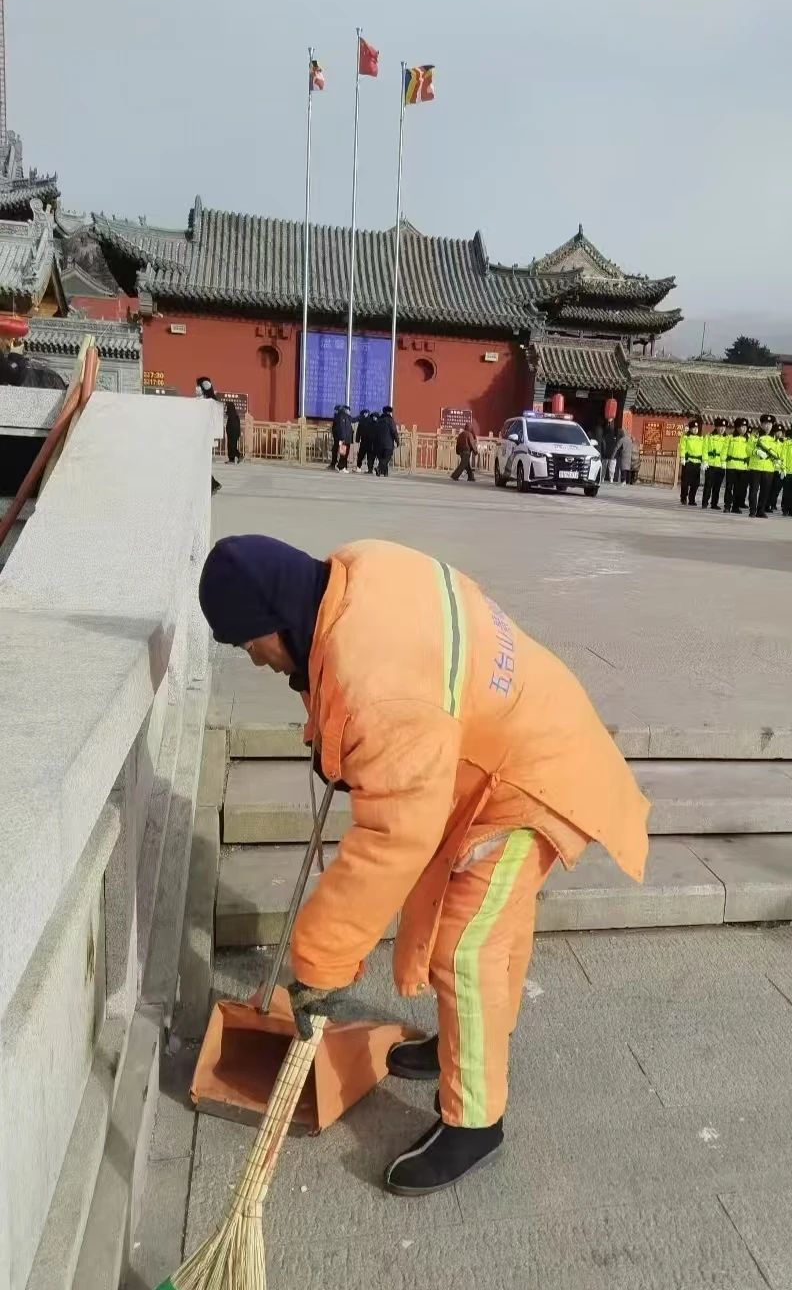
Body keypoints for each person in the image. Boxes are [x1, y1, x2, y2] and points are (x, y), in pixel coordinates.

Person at [198, 535, 648, 1195]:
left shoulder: (377, 688)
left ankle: (475, 1122)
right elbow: (387, 681)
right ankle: (462, 1045)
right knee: (487, 932)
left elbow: (393, 839)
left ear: (274, 619)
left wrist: (319, 962)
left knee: (466, 949)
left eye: (248, 643)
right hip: (529, 733)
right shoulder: (357, 570)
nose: (257, 660)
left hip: (529, 782)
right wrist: (334, 735)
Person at [747, 413, 780, 518]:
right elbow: (747, 450)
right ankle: (752, 510)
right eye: (765, 424)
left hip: (768, 468)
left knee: (765, 491)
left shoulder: (775, 439)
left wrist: (778, 462)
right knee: (753, 490)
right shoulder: (754, 436)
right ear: (761, 425)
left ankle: (760, 511)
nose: (767, 426)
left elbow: (779, 452)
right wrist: (756, 452)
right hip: (755, 467)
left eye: (769, 424)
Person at [722, 417, 750, 513]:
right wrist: (723, 461)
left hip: (743, 467)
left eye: (745, 427)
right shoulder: (730, 438)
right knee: (729, 487)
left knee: (739, 489)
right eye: (741, 427)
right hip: (731, 465)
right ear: (737, 428)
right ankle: (727, 506)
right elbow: (724, 449)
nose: (743, 429)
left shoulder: (749, 439)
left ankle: (736, 507)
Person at [701, 418, 727, 510]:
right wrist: (705, 461)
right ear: (716, 427)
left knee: (717, 486)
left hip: (721, 465)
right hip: (710, 464)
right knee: (708, 485)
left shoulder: (727, 439)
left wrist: (725, 462)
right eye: (720, 427)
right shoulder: (709, 437)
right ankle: (704, 502)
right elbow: (704, 449)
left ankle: (714, 503)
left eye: (724, 427)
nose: (722, 429)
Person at [679, 419, 703, 506]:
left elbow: (703, 449)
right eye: (693, 428)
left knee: (695, 483)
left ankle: (692, 499)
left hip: (697, 462)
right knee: (685, 482)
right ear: (690, 429)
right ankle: (683, 498)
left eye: (696, 428)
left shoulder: (701, 438)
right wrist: (682, 457)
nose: (695, 430)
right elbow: (682, 447)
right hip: (688, 461)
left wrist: (704, 460)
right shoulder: (686, 437)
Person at [767, 422, 786, 512]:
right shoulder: (770, 441)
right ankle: (767, 504)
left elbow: (784, 456)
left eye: (780, 432)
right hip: (770, 468)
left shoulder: (783, 444)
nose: (779, 434)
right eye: (777, 432)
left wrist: (783, 468)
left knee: (776, 489)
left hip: (779, 469)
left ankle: (773, 504)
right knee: (769, 488)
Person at [376, 405, 399, 476]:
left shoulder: (379, 420)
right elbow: (394, 431)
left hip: (379, 443)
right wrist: (397, 441)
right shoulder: (390, 420)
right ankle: (379, 468)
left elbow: (375, 432)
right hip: (388, 443)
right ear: (389, 412)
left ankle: (384, 472)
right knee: (387, 458)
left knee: (382, 458)